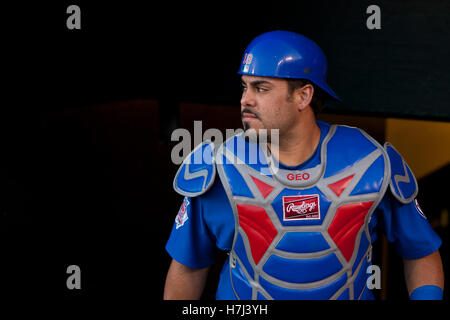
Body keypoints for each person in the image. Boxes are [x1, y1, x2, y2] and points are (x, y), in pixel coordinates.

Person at [163, 30, 444, 300]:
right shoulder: (220, 168)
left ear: (303, 96)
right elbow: (188, 268)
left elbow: (420, 251)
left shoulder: (370, 163)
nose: (244, 100)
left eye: (261, 88)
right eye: (244, 86)